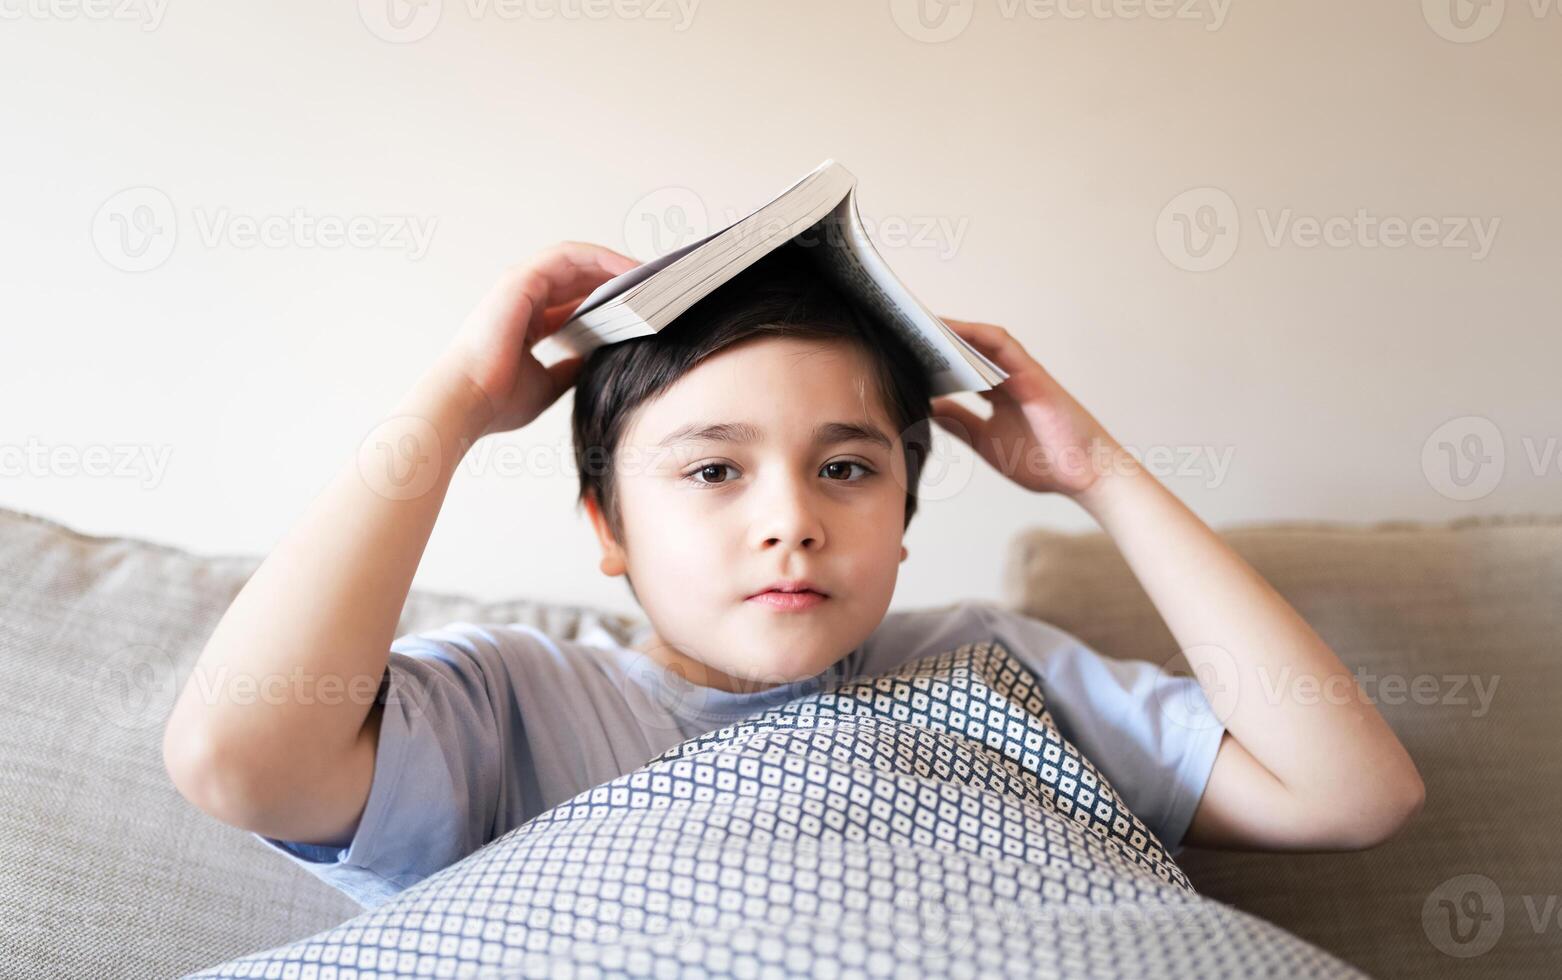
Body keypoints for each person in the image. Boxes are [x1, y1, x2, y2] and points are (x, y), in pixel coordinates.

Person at [161, 239, 1424, 910]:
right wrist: (446, 410)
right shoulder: (511, 699)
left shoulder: (988, 667)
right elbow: (237, 759)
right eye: (712, 471)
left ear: (906, 513)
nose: (790, 523)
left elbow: (1349, 793)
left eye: (846, 469)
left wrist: (1098, 473)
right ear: (605, 526)